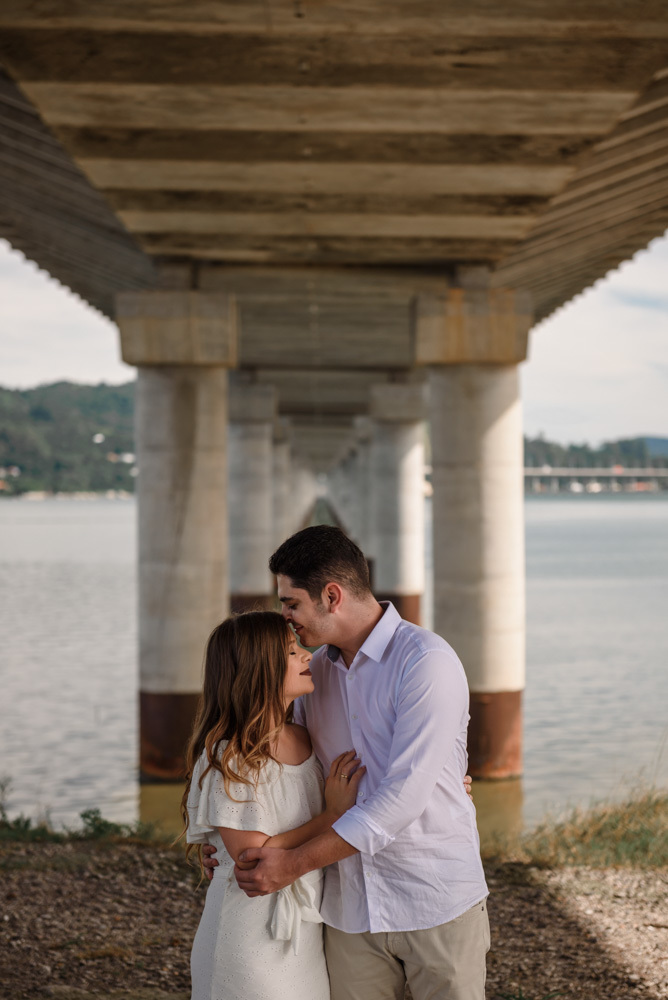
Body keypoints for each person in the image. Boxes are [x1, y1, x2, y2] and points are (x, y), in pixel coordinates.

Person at [203, 525, 489, 1000]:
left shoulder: (426, 662)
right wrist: (226, 838)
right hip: (347, 911)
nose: (286, 618)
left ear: (331, 596)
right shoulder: (310, 677)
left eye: (291, 603)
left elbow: (402, 798)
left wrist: (289, 863)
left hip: (433, 898)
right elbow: (278, 773)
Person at [181, 610, 366, 1000]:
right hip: (249, 936)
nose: (307, 655)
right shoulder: (231, 757)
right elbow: (253, 855)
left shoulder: (307, 738)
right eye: (291, 650)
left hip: (307, 931)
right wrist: (332, 817)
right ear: (257, 670)